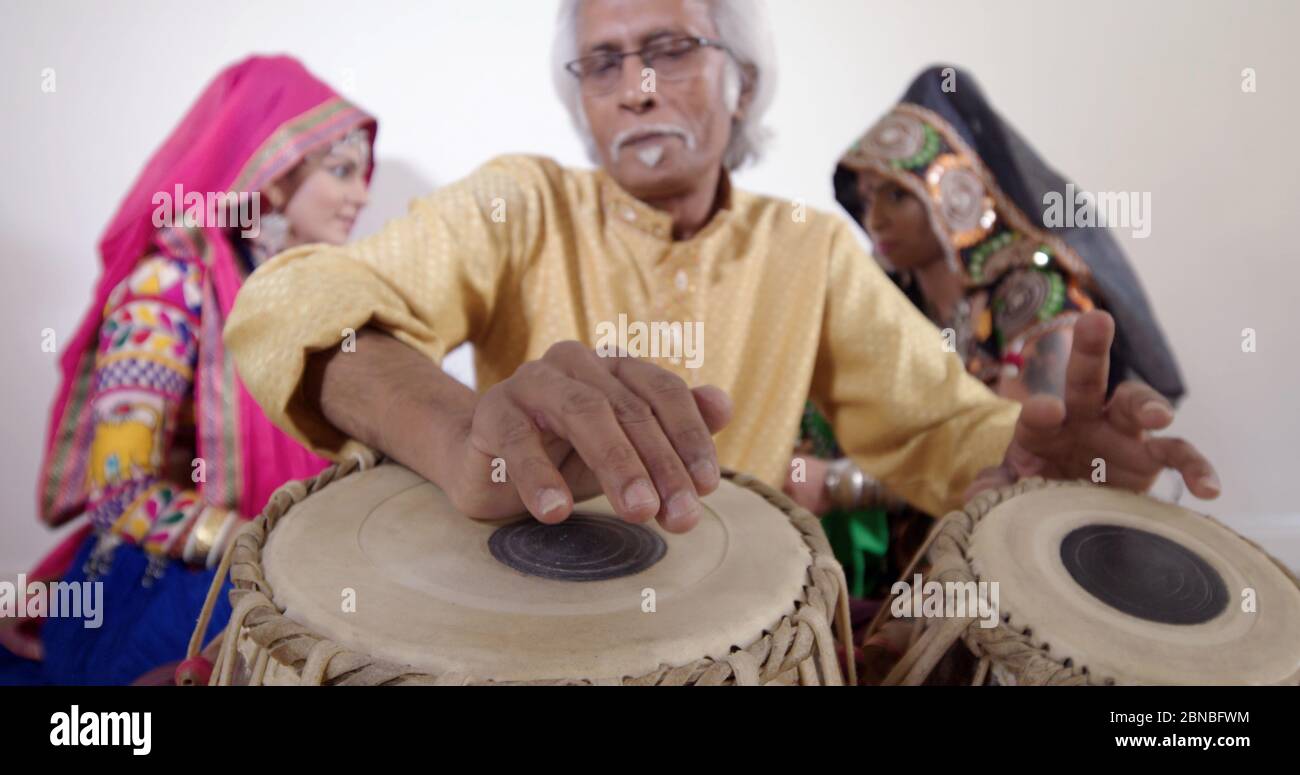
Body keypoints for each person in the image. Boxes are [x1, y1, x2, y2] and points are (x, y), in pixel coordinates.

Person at [223, 0, 1217, 577]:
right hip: (528, 618)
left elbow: (940, 434)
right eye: (602, 62)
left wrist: (1041, 455)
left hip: (743, 643)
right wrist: (458, 438)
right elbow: (289, 303)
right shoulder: (517, 204)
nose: (637, 87)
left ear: (742, 79)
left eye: (669, 49)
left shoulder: (809, 253)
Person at [0, 55, 377, 685]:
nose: (362, 195)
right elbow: (120, 490)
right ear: (273, 175)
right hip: (178, 589)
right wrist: (261, 547)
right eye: (341, 171)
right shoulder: (169, 287)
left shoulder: (290, 291)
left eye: (362, 174)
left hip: (277, 570)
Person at [785, 65, 1187, 598]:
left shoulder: (1034, 294)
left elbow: (1020, 470)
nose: (873, 216)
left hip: (1010, 567)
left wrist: (842, 483)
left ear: (957, 190)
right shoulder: (890, 299)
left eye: (896, 195)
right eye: (866, 196)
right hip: (905, 558)